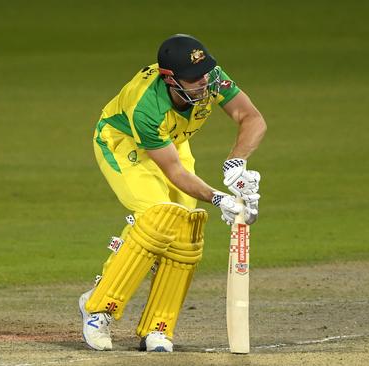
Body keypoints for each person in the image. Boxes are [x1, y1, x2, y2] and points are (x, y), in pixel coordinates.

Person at [79, 34, 266, 352]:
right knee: (157, 217)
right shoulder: (147, 107)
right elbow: (176, 173)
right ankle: (98, 308)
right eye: (194, 79)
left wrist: (237, 163)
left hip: (172, 142)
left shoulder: (210, 77)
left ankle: (158, 327)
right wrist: (219, 198)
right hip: (123, 144)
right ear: (170, 79)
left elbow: (251, 118)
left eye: (205, 73)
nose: (203, 83)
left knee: (185, 230)